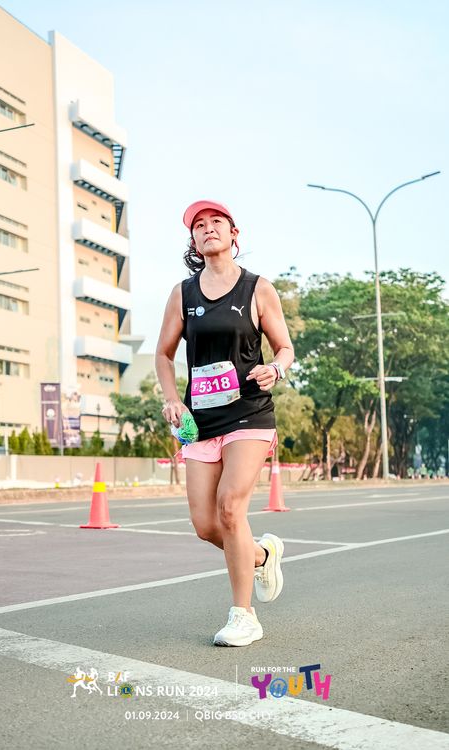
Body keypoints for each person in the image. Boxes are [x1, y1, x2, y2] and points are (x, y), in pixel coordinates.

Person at [155, 200, 294, 646]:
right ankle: (261, 555)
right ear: (193, 240)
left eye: (216, 222)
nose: (207, 228)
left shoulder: (258, 288)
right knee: (205, 524)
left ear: (235, 234)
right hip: (200, 420)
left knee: (231, 507)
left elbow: (284, 347)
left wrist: (276, 369)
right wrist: (172, 399)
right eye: (199, 225)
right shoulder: (183, 294)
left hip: (249, 413)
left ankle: (243, 616)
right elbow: (164, 354)